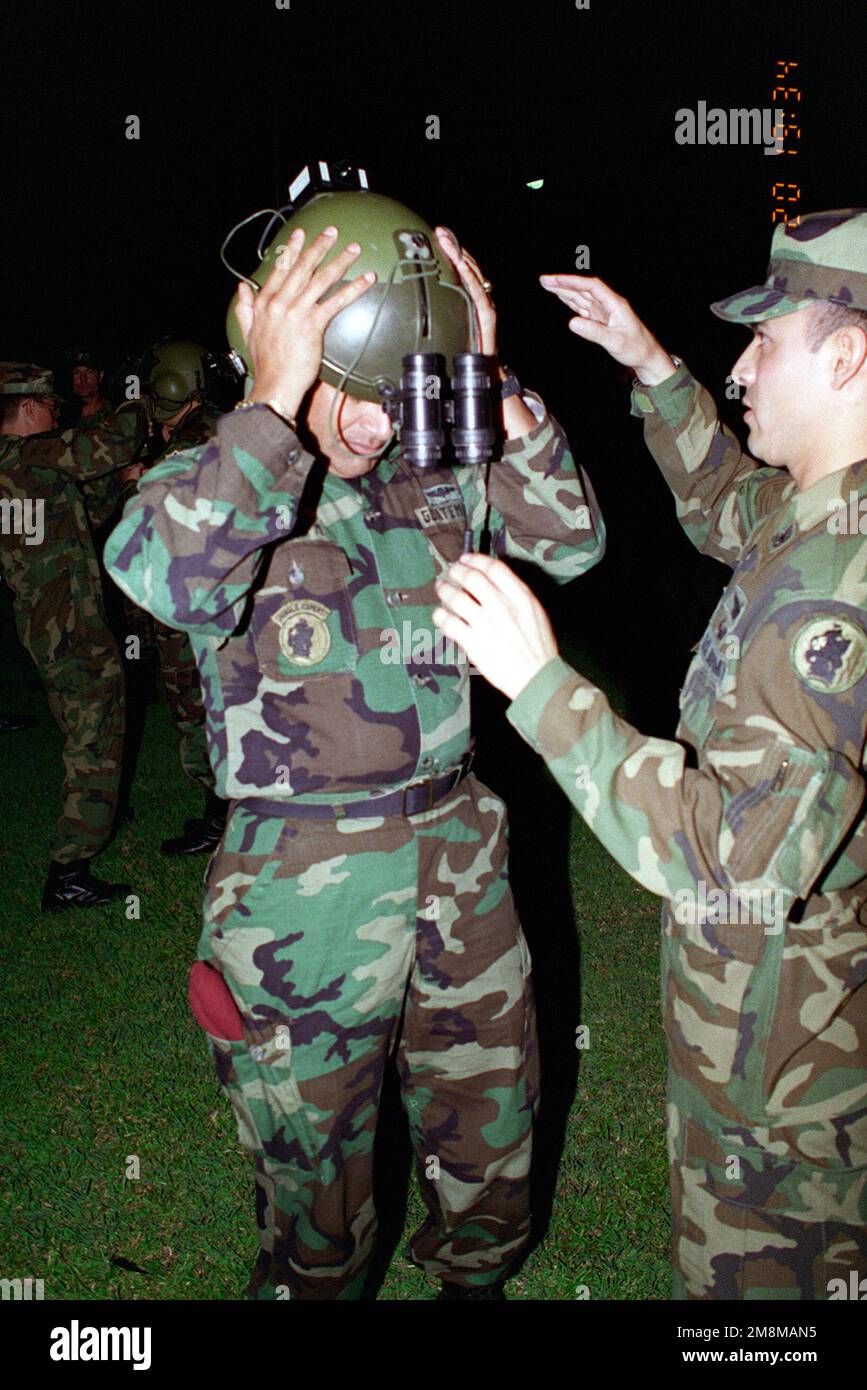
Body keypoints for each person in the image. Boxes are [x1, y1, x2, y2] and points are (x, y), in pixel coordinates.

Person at [105, 180, 606, 1299]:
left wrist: (489, 378)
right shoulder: (218, 479)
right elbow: (166, 575)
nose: (378, 421)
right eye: (353, 389)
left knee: (493, 1136)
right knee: (314, 1188)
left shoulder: (432, 480)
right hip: (301, 891)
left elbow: (571, 543)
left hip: (461, 856)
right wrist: (278, 398)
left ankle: (474, 1277)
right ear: (284, 353)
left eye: (399, 391)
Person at [433, 208, 867, 1300]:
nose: (740, 364)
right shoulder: (822, 516)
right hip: (778, 1028)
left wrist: (541, 682)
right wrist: (651, 366)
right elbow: (729, 507)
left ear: (849, 354)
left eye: (767, 341)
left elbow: (732, 866)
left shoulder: (837, 595)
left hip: (788, 1078)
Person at [0, 363, 146, 908]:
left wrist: (121, 482)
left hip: (44, 623)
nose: (56, 416)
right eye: (52, 408)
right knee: (97, 730)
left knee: (83, 727)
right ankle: (69, 869)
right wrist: (137, 403)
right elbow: (107, 444)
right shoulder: (28, 456)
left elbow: (80, 511)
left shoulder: (22, 471)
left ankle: (101, 803)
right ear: (32, 408)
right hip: (70, 626)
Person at [125, 338, 229, 854]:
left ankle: (225, 816)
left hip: (195, 598)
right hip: (197, 592)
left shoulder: (194, 435)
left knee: (200, 706)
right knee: (201, 704)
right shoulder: (196, 426)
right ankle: (220, 810)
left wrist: (138, 478)